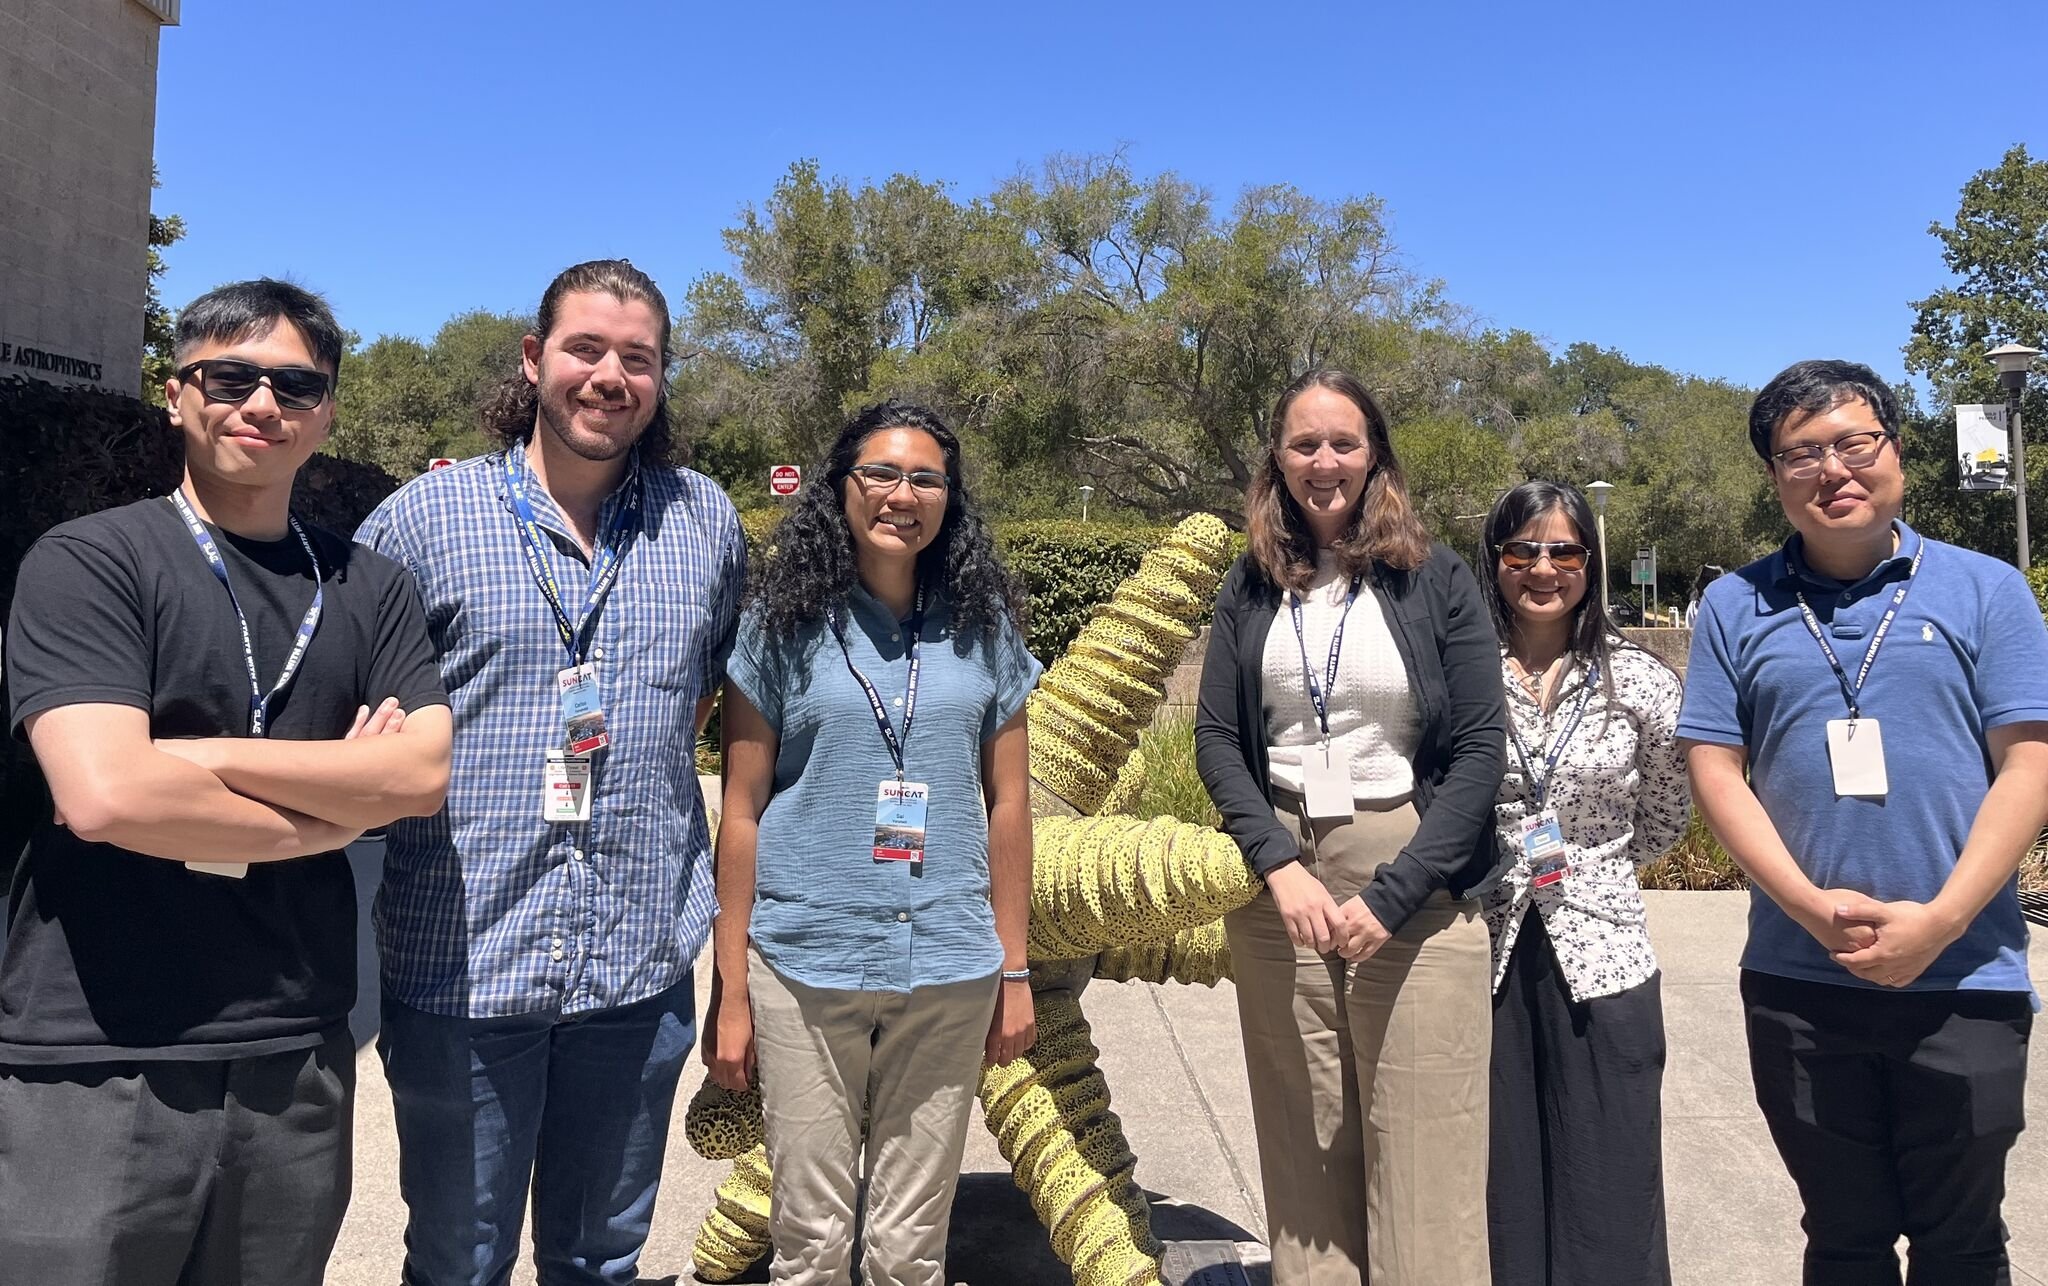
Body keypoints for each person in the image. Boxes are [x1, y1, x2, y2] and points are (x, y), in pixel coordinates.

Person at [0, 279, 452, 1284]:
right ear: (177, 393)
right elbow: (105, 797)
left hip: (294, 1053)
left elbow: (419, 772)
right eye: (231, 375)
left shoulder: (368, 586)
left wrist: (198, 757)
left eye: (294, 383)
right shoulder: (90, 562)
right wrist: (326, 816)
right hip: (96, 1050)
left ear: (326, 409)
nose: (262, 403)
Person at [356, 259, 746, 1286]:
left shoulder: (705, 523)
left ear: (660, 378)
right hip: (462, 962)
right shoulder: (419, 523)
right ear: (534, 361)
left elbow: (708, 702)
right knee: (457, 1257)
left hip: (636, 962)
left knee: (601, 1255)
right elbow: (354, 727)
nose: (608, 375)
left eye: (637, 357)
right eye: (585, 348)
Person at [1680, 359, 2048, 1286]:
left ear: (1898, 454)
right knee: (1842, 1241)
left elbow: (2030, 764)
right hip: (1802, 981)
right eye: (1801, 453)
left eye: (1854, 443)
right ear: (1774, 476)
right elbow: (1716, 770)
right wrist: (1806, 905)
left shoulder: (1987, 590)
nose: (1831, 470)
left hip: (1966, 978)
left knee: (1962, 1242)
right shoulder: (1734, 605)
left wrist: (1944, 920)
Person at [708, 400, 1039, 1286]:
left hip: (949, 967)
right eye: (882, 474)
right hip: (804, 963)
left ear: (949, 499)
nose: (904, 494)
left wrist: (1015, 970)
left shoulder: (984, 629)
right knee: (810, 1244)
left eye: (927, 478)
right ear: (842, 489)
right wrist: (731, 991)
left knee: (909, 1250)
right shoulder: (780, 628)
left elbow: (1011, 804)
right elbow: (739, 813)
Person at [1194, 368, 1507, 1285]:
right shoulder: (1253, 585)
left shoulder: (1435, 578)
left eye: (1343, 442)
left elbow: (1481, 750)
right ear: (1278, 461)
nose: (1323, 461)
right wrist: (1276, 866)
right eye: (1303, 444)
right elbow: (1218, 739)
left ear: (1376, 455)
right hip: (1280, 873)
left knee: (1426, 1147)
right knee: (1305, 1139)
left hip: (1414, 865)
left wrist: (1398, 891)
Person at [1478, 480, 1688, 1286]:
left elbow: (1669, 808)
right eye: (1521, 550)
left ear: (1589, 563)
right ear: (1494, 562)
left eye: (1563, 550)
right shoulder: (1464, 676)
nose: (1543, 567)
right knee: (1503, 1173)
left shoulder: (1635, 680)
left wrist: (1600, 871)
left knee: (1609, 1172)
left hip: (1602, 947)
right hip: (1487, 944)